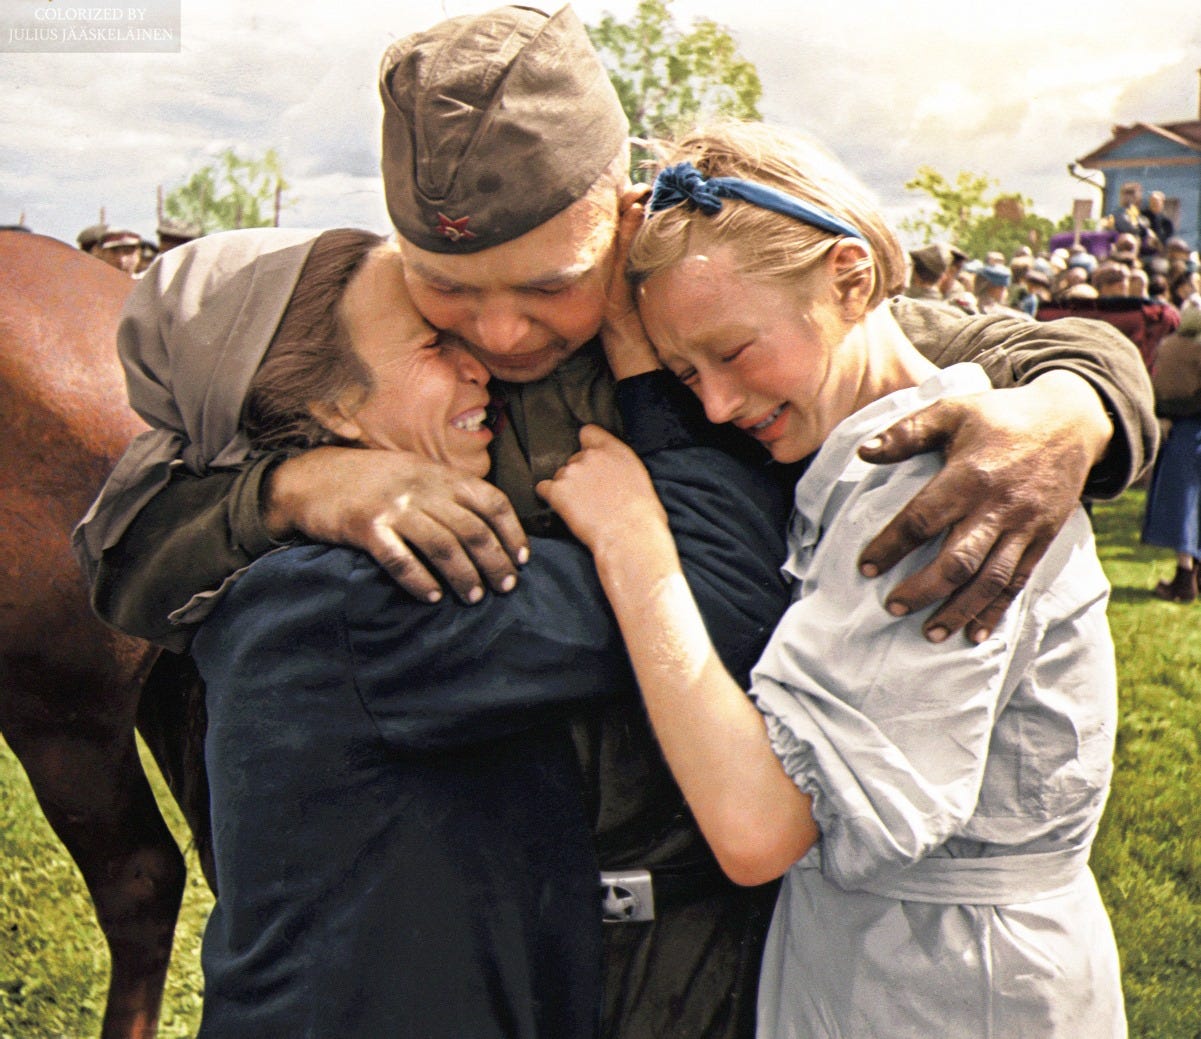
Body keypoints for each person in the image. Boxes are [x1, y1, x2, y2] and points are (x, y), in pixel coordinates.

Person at [75, 7, 1158, 1037]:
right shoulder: (368, 379)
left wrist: (1073, 408)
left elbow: (958, 344)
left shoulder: (713, 306)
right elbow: (123, 546)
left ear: (619, 208)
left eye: (552, 283)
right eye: (447, 291)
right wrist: (297, 489)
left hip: (710, 939)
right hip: (487, 936)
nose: (498, 332)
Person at [92, 225, 789, 1037]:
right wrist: (635, 355)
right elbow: (710, 596)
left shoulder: (301, 577)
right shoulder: (371, 599)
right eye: (432, 344)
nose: (478, 362)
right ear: (329, 409)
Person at [541, 120, 1126, 1038]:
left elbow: (758, 827)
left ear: (850, 278)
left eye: (732, 352)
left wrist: (631, 542)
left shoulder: (933, 485)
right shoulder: (849, 452)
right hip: (879, 959)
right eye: (686, 372)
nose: (719, 405)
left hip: (946, 987)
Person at [1142, 306, 1201, 602]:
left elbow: (1162, 389)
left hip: (1184, 430)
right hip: (1190, 428)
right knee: (1191, 505)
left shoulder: (1171, 348)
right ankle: (1189, 578)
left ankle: (1184, 577)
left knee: (1185, 506)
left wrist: (1163, 415)